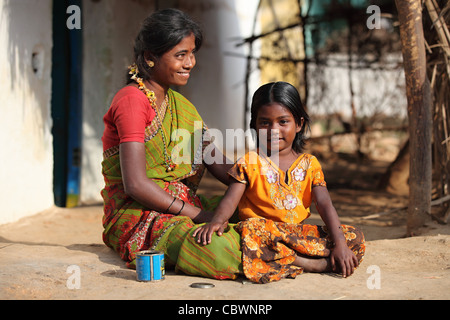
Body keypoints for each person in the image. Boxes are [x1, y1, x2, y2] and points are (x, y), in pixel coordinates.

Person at [101, 8, 243, 280]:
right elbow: (136, 185)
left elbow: (218, 162)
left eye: (192, 53)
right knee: (218, 249)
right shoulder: (131, 101)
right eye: (181, 55)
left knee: (253, 211)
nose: (190, 63)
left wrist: (261, 179)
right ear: (150, 57)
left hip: (184, 207)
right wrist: (201, 215)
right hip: (138, 216)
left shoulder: (181, 106)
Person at [193, 81, 365, 283]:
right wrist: (216, 222)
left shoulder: (310, 164)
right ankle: (306, 263)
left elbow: (325, 204)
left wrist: (340, 244)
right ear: (254, 126)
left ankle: (289, 259)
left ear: (299, 124)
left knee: (354, 237)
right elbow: (230, 200)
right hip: (261, 234)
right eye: (265, 122)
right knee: (252, 229)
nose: (273, 129)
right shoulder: (250, 162)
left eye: (283, 122)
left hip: (293, 235)